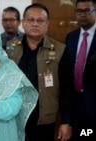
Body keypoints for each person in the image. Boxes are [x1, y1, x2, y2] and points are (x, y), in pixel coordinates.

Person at [6, 3, 71, 141]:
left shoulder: (60, 50)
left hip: (44, 119)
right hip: (14, 116)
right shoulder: (9, 49)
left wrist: (66, 121)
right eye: (30, 20)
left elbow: (67, 88)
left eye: (40, 20)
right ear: (23, 22)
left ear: (47, 24)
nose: (35, 24)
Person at [60, 0, 96, 140]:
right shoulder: (71, 37)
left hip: (93, 100)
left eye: (87, 10)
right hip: (75, 102)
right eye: (79, 11)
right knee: (78, 136)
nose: (83, 14)